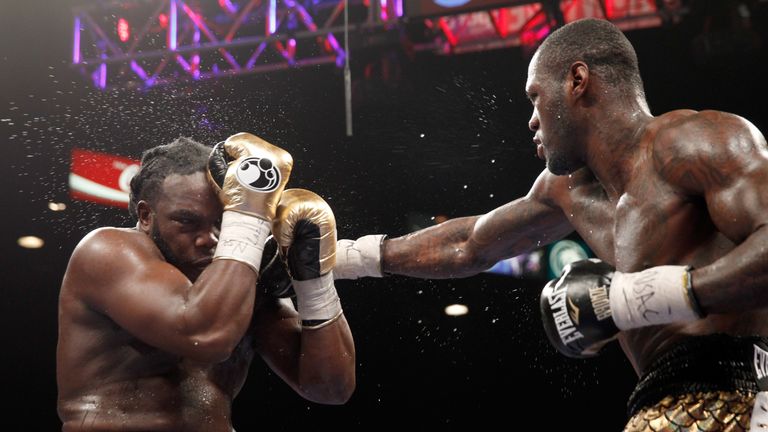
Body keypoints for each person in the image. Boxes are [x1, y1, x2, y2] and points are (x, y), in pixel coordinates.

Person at [333, 18, 768, 431]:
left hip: (745, 388)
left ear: (577, 81)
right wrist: (343, 258)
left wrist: (640, 299)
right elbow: (470, 243)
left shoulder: (695, 141)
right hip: (657, 402)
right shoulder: (567, 190)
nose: (532, 119)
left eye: (535, 97)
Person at [56, 133, 355, 432]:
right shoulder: (108, 251)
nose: (209, 239)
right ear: (146, 216)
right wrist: (251, 212)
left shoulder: (238, 281)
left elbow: (330, 389)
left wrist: (314, 281)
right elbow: (205, 336)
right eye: (187, 221)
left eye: (221, 223)